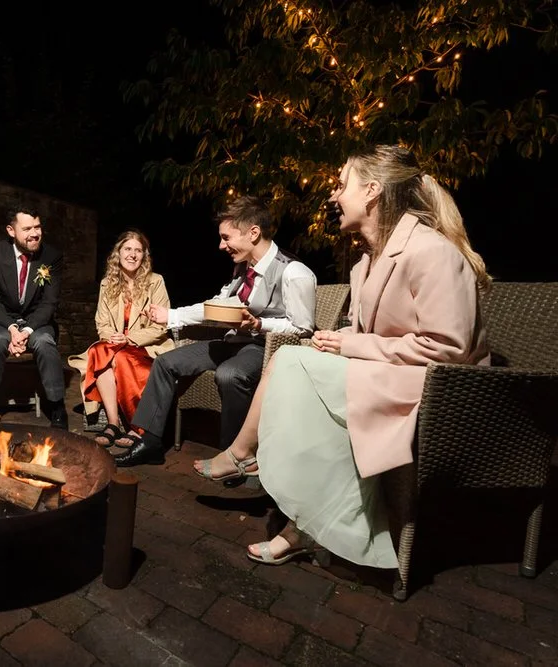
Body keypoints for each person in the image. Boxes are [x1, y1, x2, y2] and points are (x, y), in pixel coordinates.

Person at [194, 144, 490, 569]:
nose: (333, 196)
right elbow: (380, 331)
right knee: (298, 362)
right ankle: (299, 520)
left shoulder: (431, 251)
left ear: (371, 191)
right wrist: (339, 336)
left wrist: (351, 345)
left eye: (340, 185)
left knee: (292, 365)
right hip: (392, 372)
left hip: (440, 390)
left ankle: (245, 457)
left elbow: (447, 349)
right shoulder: (368, 259)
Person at [113, 196, 317, 466]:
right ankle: (149, 442)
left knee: (229, 374)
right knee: (165, 362)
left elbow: (303, 328)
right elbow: (216, 306)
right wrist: (173, 316)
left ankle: (234, 456)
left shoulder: (294, 273)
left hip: (264, 347)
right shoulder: (243, 269)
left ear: (253, 233)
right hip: (232, 342)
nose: (221, 245)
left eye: (226, 237)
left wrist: (261, 324)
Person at [68, 230, 174, 446]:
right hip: (115, 345)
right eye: (128, 249)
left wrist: (130, 339)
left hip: (147, 347)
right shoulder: (108, 283)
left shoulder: (156, 282)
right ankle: (113, 424)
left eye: (138, 250)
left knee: (119, 357)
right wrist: (114, 338)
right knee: (99, 350)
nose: (132, 255)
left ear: (144, 256)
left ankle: (139, 426)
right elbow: (102, 323)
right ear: (119, 252)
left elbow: (161, 326)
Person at [0, 208, 67, 428]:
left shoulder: (51, 256)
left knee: (44, 343)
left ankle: (57, 406)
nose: (35, 233)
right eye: (27, 229)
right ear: (11, 230)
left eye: (38, 227)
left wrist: (26, 331)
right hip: (2, 319)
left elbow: (49, 303)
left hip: (37, 321)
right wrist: (12, 328)